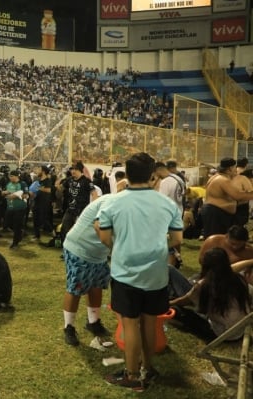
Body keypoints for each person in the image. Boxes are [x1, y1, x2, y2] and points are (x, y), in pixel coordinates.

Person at [96, 152, 183, 391]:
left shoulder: (113, 202)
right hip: (156, 273)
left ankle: (132, 377)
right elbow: (176, 239)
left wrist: (121, 247)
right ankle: (149, 368)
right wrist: (154, 249)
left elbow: (104, 236)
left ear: (127, 172)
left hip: (125, 272)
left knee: (130, 324)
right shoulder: (167, 204)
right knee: (149, 322)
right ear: (153, 175)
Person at [170, 248, 251, 342]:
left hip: (220, 333)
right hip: (239, 329)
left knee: (178, 311)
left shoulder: (205, 285)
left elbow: (184, 301)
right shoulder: (239, 279)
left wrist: (169, 303)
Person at [62, 196, 112, 346]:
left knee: (96, 286)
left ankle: (93, 322)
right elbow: (98, 226)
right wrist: (116, 248)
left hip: (99, 253)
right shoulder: (111, 202)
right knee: (76, 288)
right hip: (80, 248)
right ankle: (68, 327)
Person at [202, 158, 253, 238]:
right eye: (234, 167)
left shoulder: (216, 177)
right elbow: (238, 196)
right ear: (230, 169)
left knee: (222, 240)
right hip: (215, 213)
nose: (236, 170)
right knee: (216, 240)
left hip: (216, 212)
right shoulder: (222, 180)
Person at [59, 161, 98, 245]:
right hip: (70, 209)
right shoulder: (69, 180)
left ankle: (76, 249)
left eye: (75, 169)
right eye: (72, 169)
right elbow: (60, 188)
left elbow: (94, 194)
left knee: (78, 232)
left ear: (80, 170)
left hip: (81, 211)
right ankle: (65, 248)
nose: (73, 171)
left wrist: (93, 208)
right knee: (64, 229)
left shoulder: (86, 181)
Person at [2, 170, 28, 249]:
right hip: (10, 207)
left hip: (19, 208)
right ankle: (20, 232)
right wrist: (4, 193)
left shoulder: (22, 184)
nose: (10, 178)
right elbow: (4, 192)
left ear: (17, 176)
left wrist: (16, 195)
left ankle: (15, 243)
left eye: (12, 176)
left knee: (17, 225)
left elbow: (26, 196)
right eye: (10, 176)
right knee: (8, 224)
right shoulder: (8, 184)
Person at [31, 165, 53, 242]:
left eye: (39, 169)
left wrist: (38, 188)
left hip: (44, 203)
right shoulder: (38, 180)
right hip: (36, 201)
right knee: (35, 219)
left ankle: (52, 232)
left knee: (43, 219)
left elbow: (48, 190)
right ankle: (37, 235)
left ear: (43, 171)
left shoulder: (47, 180)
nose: (37, 171)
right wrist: (32, 193)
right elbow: (34, 191)